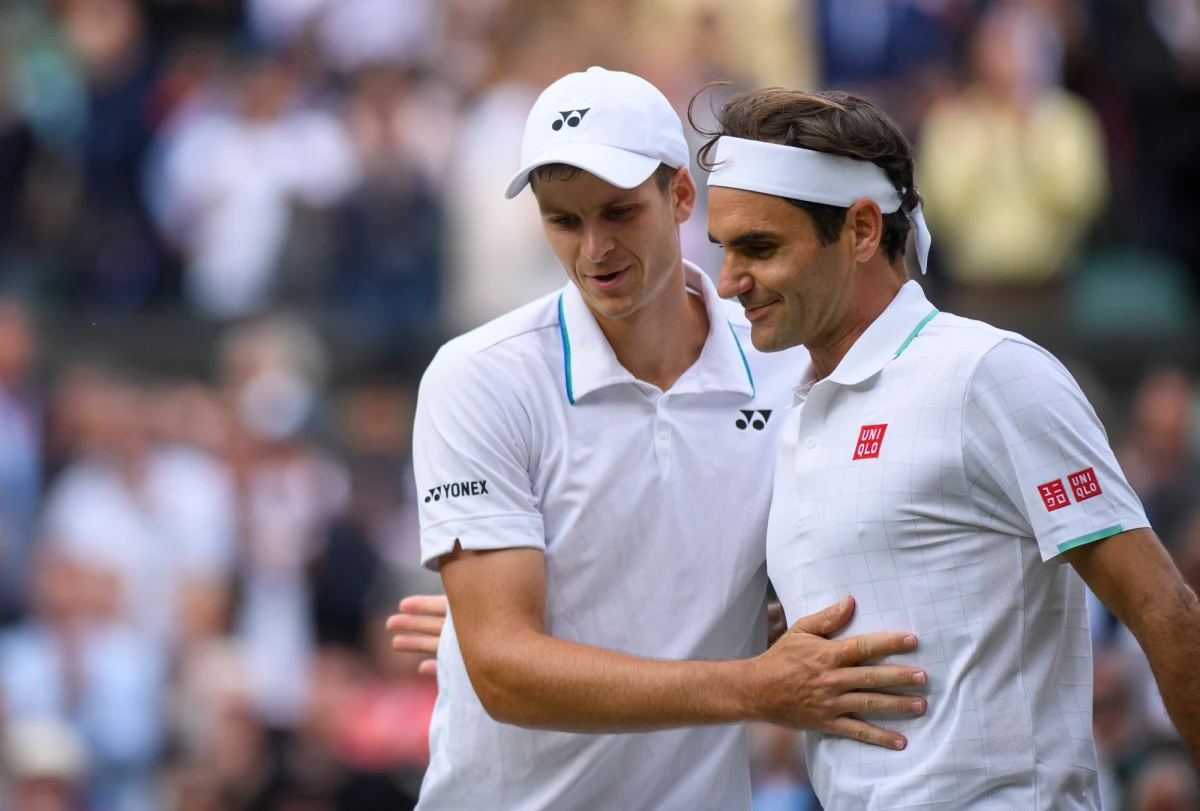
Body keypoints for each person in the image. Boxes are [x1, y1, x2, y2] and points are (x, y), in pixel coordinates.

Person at [399, 67, 928, 811]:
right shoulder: (478, 376)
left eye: (618, 213)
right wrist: (754, 685)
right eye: (563, 220)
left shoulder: (789, 367)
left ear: (681, 196)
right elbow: (503, 670)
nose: (593, 250)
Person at [701, 86, 1200, 809]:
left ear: (864, 231)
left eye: (760, 247)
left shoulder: (989, 373)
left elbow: (1165, 610)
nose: (729, 282)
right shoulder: (796, 412)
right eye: (724, 248)